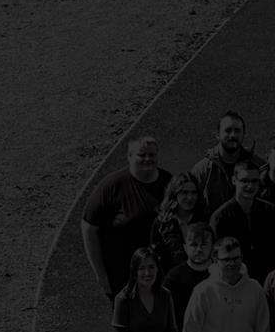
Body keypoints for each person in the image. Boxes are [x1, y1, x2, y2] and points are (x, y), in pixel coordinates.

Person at [84, 135, 171, 299]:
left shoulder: (169, 183)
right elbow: (89, 227)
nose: (147, 159)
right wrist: (100, 274)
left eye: (151, 155)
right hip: (122, 276)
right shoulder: (112, 186)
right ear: (129, 157)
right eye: (141, 155)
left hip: (160, 274)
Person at [208, 161, 275, 281]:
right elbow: (217, 257)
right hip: (235, 280)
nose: (250, 186)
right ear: (234, 180)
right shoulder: (220, 218)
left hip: (269, 278)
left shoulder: (271, 211)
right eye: (244, 181)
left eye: (254, 181)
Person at [189, 111, 265, 211]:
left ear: (244, 134)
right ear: (217, 135)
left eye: (237, 131)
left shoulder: (259, 166)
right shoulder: (201, 171)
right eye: (227, 130)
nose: (232, 135)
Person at [150, 174, 209, 269]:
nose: (190, 198)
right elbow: (156, 257)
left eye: (193, 193)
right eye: (184, 193)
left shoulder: (204, 219)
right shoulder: (162, 222)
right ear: (174, 194)